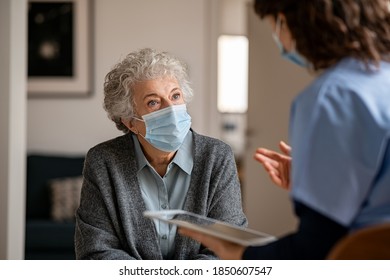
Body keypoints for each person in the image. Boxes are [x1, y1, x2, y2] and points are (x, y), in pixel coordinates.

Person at [180, 0, 390, 259]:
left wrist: (239, 254)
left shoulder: (333, 96)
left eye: (272, 26)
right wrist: (317, 180)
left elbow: (315, 249)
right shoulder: (381, 79)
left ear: (286, 21)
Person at [75, 48, 247, 260]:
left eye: (175, 96)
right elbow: (96, 251)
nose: (171, 109)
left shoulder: (217, 157)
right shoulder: (103, 162)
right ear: (130, 122)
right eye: (153, 102)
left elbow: (228, 247)